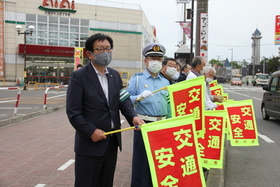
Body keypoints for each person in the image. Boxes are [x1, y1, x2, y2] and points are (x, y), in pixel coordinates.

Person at [66, 33, 144, 187]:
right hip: (90, 144)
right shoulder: (79, 77)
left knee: (106, 183)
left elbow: (123, 100)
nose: (105, 53)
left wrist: (133, 117)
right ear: (90, 54)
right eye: (100, 49)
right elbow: (73, 112)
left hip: (111, 142)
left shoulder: (114, 76)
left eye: (108, 49)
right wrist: (90, 131)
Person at [126, 43, 171, 187]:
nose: (156, 62)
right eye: (152, 58)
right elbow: (125, 100)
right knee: (142, 161)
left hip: (162, 124)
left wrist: (170, 123)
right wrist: (138, 97)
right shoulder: (137, 79)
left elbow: (169, 104)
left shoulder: (165, 81)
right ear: (145, 61)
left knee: (160, 160)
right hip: (145, 123)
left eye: (159, 59)